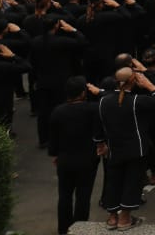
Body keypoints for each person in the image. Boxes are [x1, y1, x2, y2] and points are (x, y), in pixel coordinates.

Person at [94, 65, 155, 232]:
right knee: (131, 182)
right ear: (133, 81)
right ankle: (125, 219)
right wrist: (150, 85)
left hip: (114, 149)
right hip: (136, 149)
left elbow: (98, 127)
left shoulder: (103, 101)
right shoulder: (136, 101)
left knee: (113, 181)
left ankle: (112, 217)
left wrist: (100, 144)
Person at [49, 75, 102, 235]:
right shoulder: (92, 109)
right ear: (83, 93)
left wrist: (55, 154)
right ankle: (79, 228)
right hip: (87, 159)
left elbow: (54, 137)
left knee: (64, 195)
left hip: (65, 159)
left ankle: (63, 228)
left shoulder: (58, 111)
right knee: (83, 196)